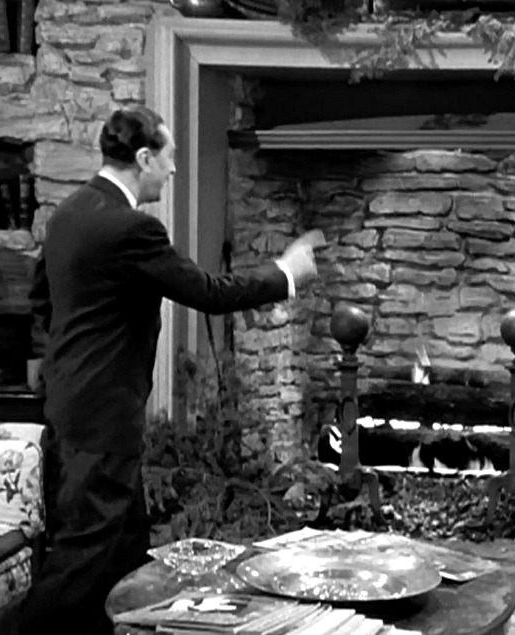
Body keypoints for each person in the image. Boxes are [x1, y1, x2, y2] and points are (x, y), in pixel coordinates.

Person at [21, 105, 324, 635]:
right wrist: (286, 274)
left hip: (73, 412)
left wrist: (49, 371)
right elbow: (206, 292)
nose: (175, 168)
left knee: (126, 562)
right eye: (170, 157)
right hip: (102, 420)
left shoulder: (67, 214)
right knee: (78, 568)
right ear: (144, 158)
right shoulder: (131, 229)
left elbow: (41, 301)